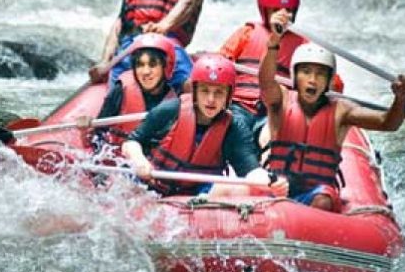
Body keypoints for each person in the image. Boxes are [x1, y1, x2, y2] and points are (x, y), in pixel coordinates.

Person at [259, 13, 405, 212]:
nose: (313, 80)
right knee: (271, 191)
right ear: (295, 76)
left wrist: (400, 99)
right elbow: (265, 81)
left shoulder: (341, 110)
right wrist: (273, 42)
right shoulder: (280, 100)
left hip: (316, 192)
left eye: (320, 74)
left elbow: (388, 123)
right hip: (280, 185)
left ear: (329, 80)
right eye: (306, 72)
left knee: (323, 200)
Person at [122, 53, 288, 198]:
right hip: (155, 181)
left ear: (228, 96)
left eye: (218, 93)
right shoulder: (171, 110)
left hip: (197, 192)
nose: (211, 99)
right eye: (205, 91)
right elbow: (131, 142)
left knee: (232, 188)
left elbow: (251, 171)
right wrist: (139, 161)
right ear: (194, 91)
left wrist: (271, 181)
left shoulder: (233, 128)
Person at [219, 0, 344, 138]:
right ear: (264, 11)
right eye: (276, 11)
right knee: (234, 128)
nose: (283, 16)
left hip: (275, 110)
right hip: (239, 104)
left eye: (289, 11)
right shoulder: (247, 33)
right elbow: (220, 63)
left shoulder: (303, 45)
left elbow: (333, 83)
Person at [80, 33, 180, 154]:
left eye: (152, 65)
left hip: (150, 165)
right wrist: (86, 130)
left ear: (165, 67)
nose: (146, 71)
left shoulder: (174, 104)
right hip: (118, 163)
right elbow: (97, 136)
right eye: (140, 65)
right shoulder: (121, 90)